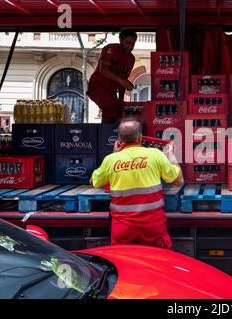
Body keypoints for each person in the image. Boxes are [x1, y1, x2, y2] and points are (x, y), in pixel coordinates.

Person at [90, 120, 184, 249]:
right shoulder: (155, 154)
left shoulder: (110, 160)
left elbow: (94, 182)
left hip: (123, 229)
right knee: (159, 261)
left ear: (119, 139)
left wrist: (114, 155)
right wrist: (170, 155)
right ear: (140, 136)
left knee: (124, 262)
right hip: (152, 226)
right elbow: (179, 181)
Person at [86, 30, 137, 123]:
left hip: (111, 90)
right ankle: (105, 133)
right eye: (128, 42)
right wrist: (121, 80)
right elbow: (103, 69)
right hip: (97, 85)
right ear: (120, 40)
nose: (130, 46)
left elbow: (123, 81)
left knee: (119, 108)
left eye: (133, 44)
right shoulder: (111, 49)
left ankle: (114, 133)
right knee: (110, 106)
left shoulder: (131, 59)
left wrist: (121, 99)